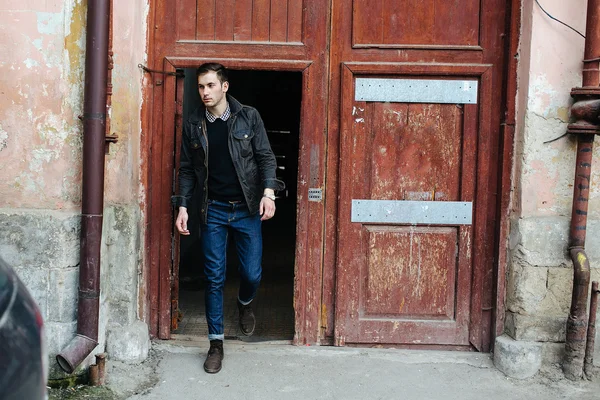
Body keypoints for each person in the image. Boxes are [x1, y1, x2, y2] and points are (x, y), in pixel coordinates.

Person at [175, 63, 283, 374]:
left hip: (247, 208)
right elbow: (186, 169)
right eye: (200, 87)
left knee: (251, 273)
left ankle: (245, 303)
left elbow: (265, 157)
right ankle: (215, 344)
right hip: (214, 210)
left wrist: (268, 193)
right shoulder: (194, 123)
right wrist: (183, 206)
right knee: (214, 278)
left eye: (210, 86)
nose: (204, 92)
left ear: (224, 87)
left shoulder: (248, 116)